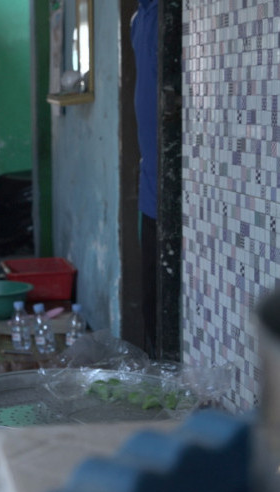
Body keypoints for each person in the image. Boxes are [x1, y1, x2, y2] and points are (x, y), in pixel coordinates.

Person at [131, 0, 158, 358]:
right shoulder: (140, 18)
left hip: (180, 193)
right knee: (152, 301)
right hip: (151, 188)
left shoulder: (176, 14)